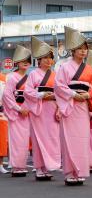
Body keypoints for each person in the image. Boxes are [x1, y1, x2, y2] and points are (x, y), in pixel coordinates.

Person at [54, 26, 92, 186]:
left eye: (85, 48)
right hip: (70, 105)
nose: (82, 51)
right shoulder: (65, 67)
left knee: (82, 139)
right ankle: (69, 172)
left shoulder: (88, 69)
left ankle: (80, 171)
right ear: (72, 50)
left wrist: (88, 95)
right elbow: (59, 86)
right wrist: (74, 94)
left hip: (82, 108)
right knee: (69, 139)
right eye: (79, 49)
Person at [24, 37, 61, 181]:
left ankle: (48, 166)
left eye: (50, 58)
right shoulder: (33, 74)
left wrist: (58, 107)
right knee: (39, 138)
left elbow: (60, 92)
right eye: (44, 58)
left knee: (52, 138)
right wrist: (41, 94)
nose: (48, 61)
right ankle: (39, 167)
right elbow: (27, 92)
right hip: (39, 109)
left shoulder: (55, 75)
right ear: (39, 60)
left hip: (51, 108)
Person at [3, 45, 32, 177]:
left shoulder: (30, 78)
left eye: (27, 60)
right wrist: (19, 109)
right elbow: (7, 96)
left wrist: (28, 109)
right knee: (16, 140)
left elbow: (31, 95)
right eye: (22, 60)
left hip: (26, 113)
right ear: (17, 63)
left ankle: (22, 165)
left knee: (24, 140)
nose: (25, 62)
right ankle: (16, 166)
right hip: (17, 112)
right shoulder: (11, 77)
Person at [0, 72, 9, 173]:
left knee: (2, 139)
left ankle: (1, 164)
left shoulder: (4, 77)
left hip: (1, 110)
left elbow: (7, 95)